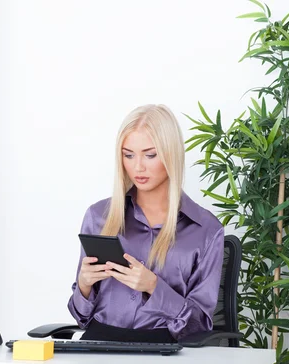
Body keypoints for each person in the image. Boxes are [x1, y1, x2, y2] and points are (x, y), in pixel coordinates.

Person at [67, 104, 224, 343]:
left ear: (171, 154)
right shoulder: (99, 216)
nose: (138, 166)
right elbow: (81, 318)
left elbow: (199, 325)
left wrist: (153, 286)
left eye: (150, 155)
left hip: (165, 350)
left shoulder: (206, 230)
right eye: (128, 155)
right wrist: (84, 285)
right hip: (101, 344)